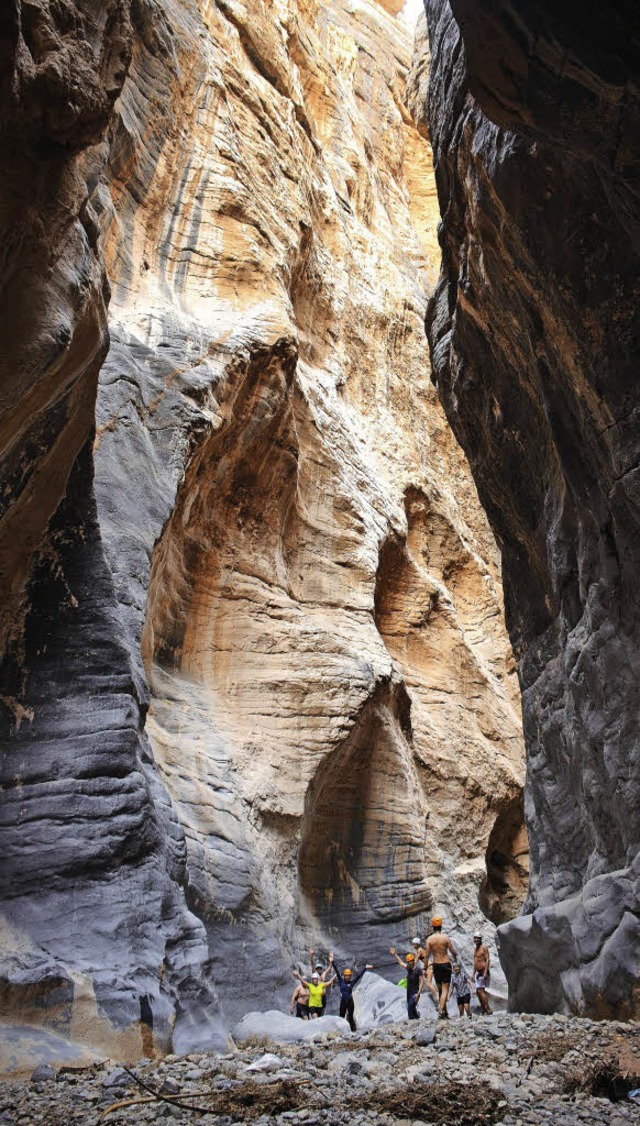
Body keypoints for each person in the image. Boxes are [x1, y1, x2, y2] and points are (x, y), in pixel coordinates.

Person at [425, 915, 457, 1019]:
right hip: (445, 964)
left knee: (440, 991)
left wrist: (425, 967)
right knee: (445, 990)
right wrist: (455, 960)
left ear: (432, 927)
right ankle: (441, 1010)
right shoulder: (445, 938)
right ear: (441, 926)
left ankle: (445, 1012)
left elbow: (426, 956)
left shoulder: (429, 940)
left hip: (436, 965)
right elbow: (453, 951)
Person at [332, 954, 373, 1031]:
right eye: (346, 975)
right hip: (343, 1001)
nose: (347, 977)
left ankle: (352, 1031)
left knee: (350, 1017)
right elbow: (337, 971)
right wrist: (332, 962)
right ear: (344, 976)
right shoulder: (341, 982)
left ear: (350, 976)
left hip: (350, 1001)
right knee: (341, 1016)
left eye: (348, 976)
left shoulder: (352, 982)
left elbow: (358, 976)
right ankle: (339, 1030)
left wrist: (365, 968)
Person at [390, 948, 423, 1020]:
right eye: (408, 962)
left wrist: (418, 993)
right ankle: (417, 1016)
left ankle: (411, 1020)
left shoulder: (418, 970)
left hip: (415, 992)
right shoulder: (409, 968)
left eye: (411, 961)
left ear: (413, 961)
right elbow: (401, 963)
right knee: (411, 1006)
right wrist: (395, 954)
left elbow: (421, 982)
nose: (410, 963)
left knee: (410, 1006)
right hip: (409, 992)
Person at [473, 931, 492, 1014]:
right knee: (478, 992)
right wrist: (473, 973)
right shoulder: (475, 949)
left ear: (481, 939)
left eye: (478, 938)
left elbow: (487, 959)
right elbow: (475, 962)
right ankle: (483, 1009)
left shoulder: (483, 947)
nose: (476, 939)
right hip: (478, 973)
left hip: (482, 972)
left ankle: (488, 1009)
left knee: (481, 991)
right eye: (475, 938)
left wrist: (485, 972)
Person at [309, 949, 332, 1014]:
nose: (319, 970)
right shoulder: (315, 975)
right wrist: (311, 956)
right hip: (317, 995)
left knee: (323, 1010)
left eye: (320, 969)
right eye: (318, 969)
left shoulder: (323, 975)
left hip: (323, 996)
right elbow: (313, 964)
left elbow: (329, 968)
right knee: (316, 1010)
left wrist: (331, 960)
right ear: (316, 969)